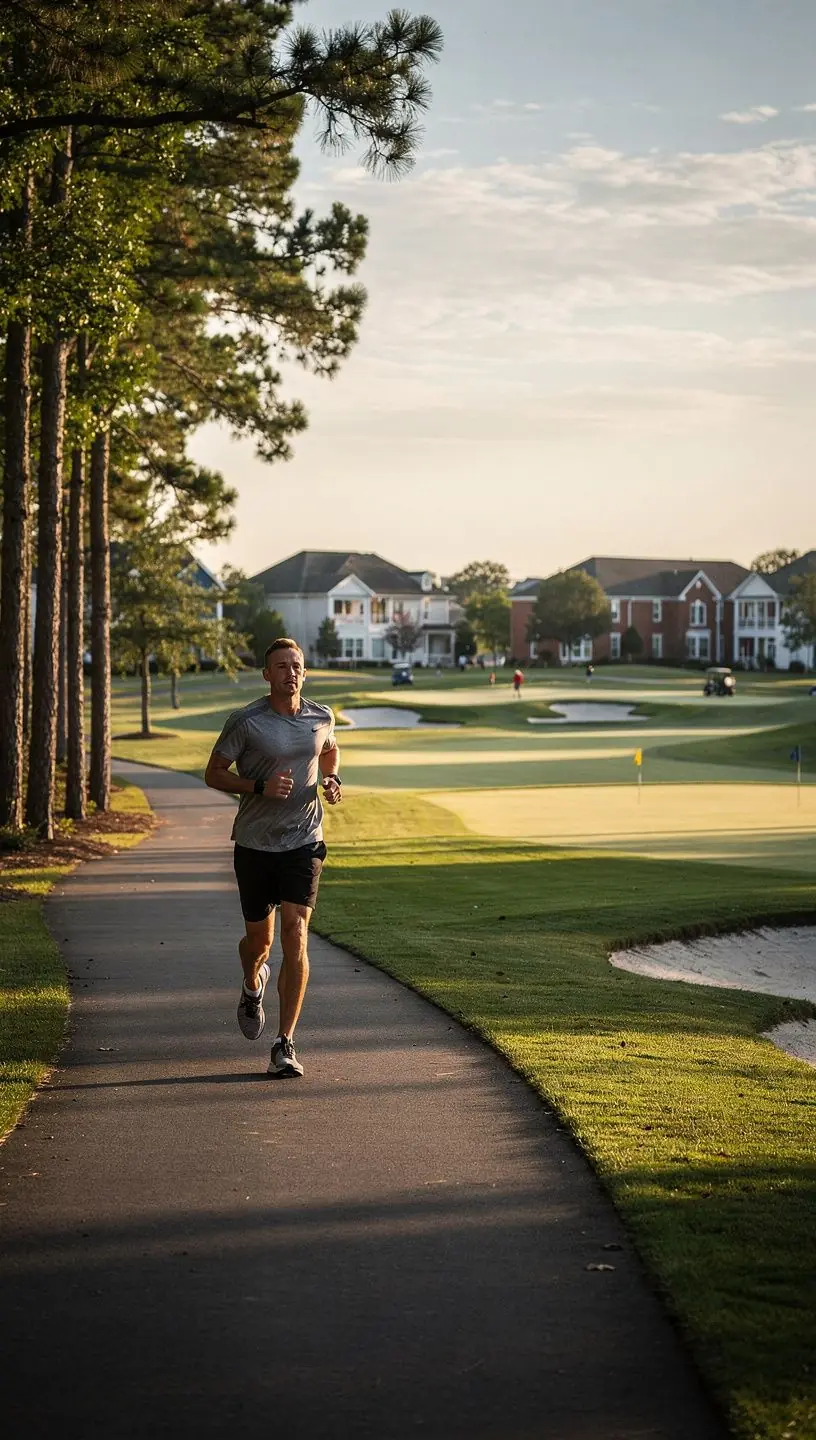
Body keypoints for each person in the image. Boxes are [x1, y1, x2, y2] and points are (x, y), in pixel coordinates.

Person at [204, 638, 341, 1079]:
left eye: (297, 665)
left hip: (304, 841)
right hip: (255, 844)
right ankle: (251, 984)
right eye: (281, 666)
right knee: (259, 946)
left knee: (295, 932)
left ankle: (284, 1044)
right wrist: (259, 787)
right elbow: (213, 773)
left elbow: (329, 750)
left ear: (305, 671)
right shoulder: (246, 722)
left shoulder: (321, 716)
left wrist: (332, 778)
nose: (291, 673)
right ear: (267, 675)